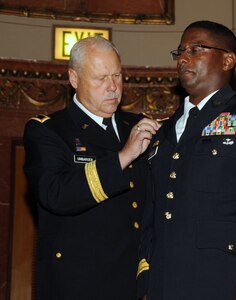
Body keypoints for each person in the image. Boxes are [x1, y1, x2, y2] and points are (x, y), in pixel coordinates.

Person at [136, 20, 236, 300]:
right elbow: (152, 216)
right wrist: (146, 279)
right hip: (165, 283)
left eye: (197, 48)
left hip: (226, 280)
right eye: (181, 51)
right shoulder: (163, 133)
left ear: (227, 60)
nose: (184, 58)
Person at [23, 36, 160, 300]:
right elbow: (57, 194)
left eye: (117, 76)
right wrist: (123, 157)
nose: (113, 87)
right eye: (100, 79)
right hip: (78, 283)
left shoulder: (138, 125)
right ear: (74, 79)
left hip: (133, 282)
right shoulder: (49, 131)